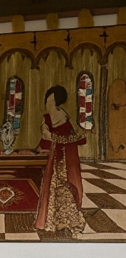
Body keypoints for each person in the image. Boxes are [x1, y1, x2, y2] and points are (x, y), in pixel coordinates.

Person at [34, 85, 86, 235]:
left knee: (67, 188)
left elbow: (75, 137)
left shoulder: (64, 116)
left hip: (66, 157)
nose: (48, 103)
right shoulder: (46, 118)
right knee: (53, 188)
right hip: (54, 158)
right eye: (47, 100)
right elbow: (45, 138)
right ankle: (53, 222)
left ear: (57, 101)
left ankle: (70, 222)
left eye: (51, 101)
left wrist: (59, 138)